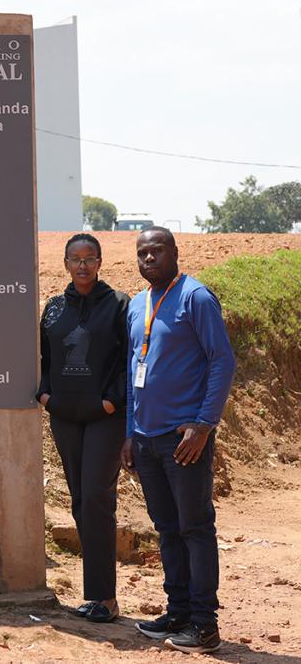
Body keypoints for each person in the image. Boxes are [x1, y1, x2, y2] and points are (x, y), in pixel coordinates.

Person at [121, 227, 235, 654]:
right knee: (167, 529)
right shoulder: (138, 304)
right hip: (146, 440)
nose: (149, 258)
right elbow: (133, 371)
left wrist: (203, 425)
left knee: (194, 528)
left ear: (174, 252)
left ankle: (205, 626)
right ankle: (179, 612)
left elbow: (222, 361)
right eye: (142, 253)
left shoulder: (195, 297)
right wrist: (130, 433)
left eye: (157, 251)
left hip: (184, 439)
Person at [37, 233, 129, 623]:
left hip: (106, 417)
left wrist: (111, 400)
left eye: (90, 258)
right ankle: (95, 596)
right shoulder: (54, 308)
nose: (82, 265)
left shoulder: (119, 305)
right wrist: (46, 395)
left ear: (100, 262)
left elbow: (130, 359)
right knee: (79, 500)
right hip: (65, 416)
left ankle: (106, 599)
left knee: (95, 497)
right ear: (65, 264)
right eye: (75, 259)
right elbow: (43, 355)